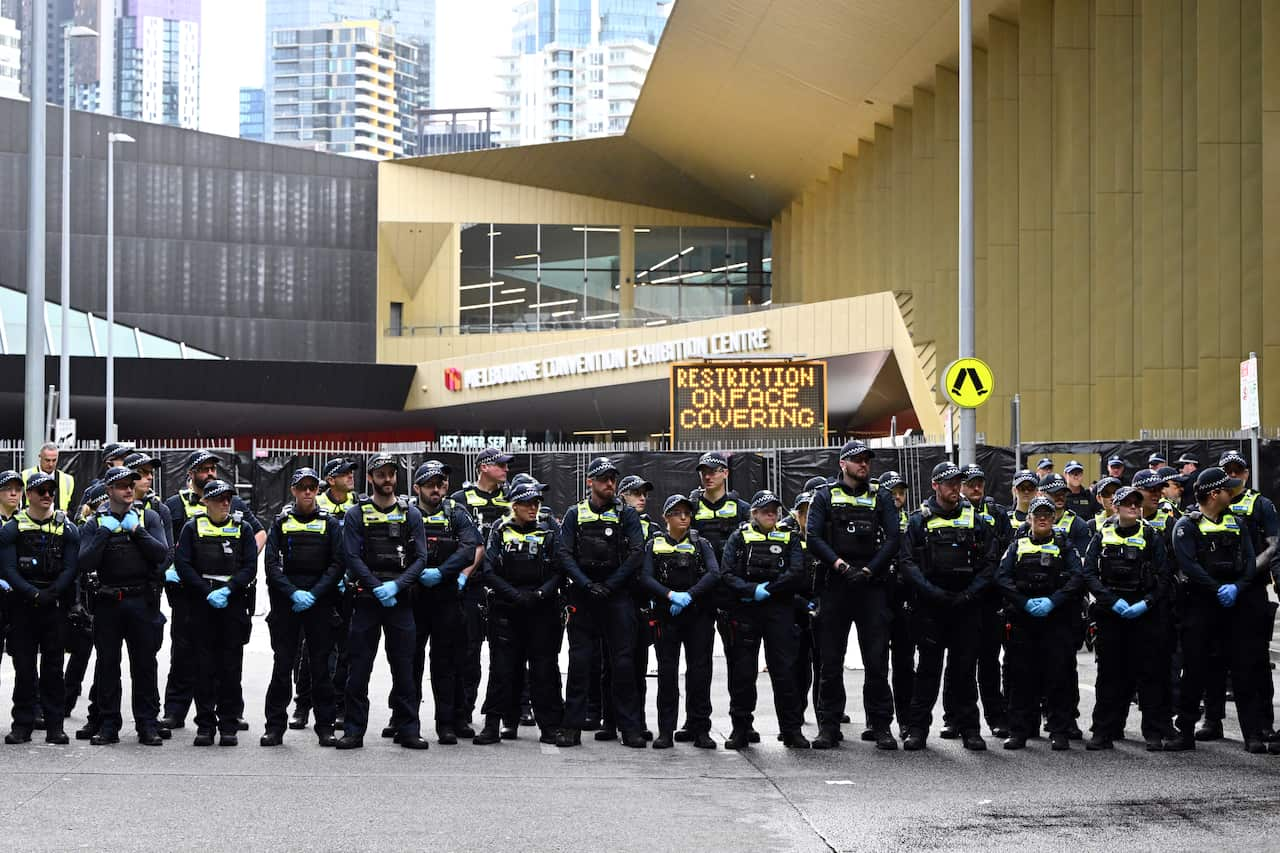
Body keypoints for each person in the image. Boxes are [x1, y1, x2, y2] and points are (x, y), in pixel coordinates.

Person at [807, 440, 902, 750]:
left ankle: (880, 725)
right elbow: (813, 537)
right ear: (842, 464)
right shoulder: (824, 496)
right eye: (857, 460)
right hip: (836, 584)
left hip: (871, 586)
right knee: (830, 661)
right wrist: (840, 566)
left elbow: (892, 538)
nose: (864, 465)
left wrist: (869, 571)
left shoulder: (882, 497)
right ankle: (829, 727)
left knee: (876, 661)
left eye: (867, 460)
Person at [161, 451, 263, 737]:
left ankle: (231, 713)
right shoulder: (175, 505)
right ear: (190, 473)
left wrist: (244, 561)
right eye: (203, 469)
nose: (209, 474)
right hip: (190, 592)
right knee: (184, 652)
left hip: (230, 594)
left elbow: (259, 533)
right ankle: (176, 710)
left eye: (212, 469)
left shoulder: (235, 504)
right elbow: (169, 544)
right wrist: (175, 570)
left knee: (229, 657)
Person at [898, 463, 997, 751]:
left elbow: (990, 563)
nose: (956, 488)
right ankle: (917, 730)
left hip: (966, 606)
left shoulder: (976, 520)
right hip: (931, 607)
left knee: (964, 672)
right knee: (928, 671)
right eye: (950, 483)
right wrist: (933, 594)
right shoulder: (919, 521)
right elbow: (907, 563)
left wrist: (968, 595)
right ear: (935, 485)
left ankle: (970, 730)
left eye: (958, 483)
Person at [337, 455, 430, 750]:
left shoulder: (410, 514)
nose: (387, 479)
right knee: (358, 669)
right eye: (381, 474)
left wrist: (396, 586)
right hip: (365, 600)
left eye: (391, 474)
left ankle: (408, 729)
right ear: (371, 478)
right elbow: (351, 557)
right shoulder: (356, 514)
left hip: (400, 601)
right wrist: (376, 587)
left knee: (404, 668)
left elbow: (421, 558)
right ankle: (353, 730)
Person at [1170, 467, 1265, 752]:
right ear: (1214, 494)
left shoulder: (1237, 522)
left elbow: (1250, 561)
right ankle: (1185, 732)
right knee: (1196, 670)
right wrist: (1216, 588)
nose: (1232, 492)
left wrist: (1236, 587)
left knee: (1243, 670)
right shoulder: (1186, 525)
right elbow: (1188, 565)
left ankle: (1253, 735)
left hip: (1235, 606)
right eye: (1227, 489)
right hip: (1200, 607)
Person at [1082, 486, 1180, 751]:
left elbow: (1164, 576)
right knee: (1110, 675)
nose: (1134, 507)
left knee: (1150, 674)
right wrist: (1111, 601)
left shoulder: (1151, 535)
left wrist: (1145, 604)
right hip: (1111, 615)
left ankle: (1153, 732)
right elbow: (1089, 573)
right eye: (1127, 503)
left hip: (1144, 615)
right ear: (1115, 507)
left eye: (1137, 503)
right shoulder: (1102, 534)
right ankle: (1105, 731)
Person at [76, 466, 169, 745]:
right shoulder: (95, 523)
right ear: (109, 490)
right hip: (108, 602)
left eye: (131, 484)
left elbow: (161, 553)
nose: (128, 490)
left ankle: (147, 724)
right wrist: (105, 534)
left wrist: (136, 530)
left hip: (141, 600)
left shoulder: (148, 517)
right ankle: (108, 725)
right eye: (121, 486)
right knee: (107, 665)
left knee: (144, 665)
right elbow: (84, 562)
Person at [557, 457, 646, 748]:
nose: (610, 484)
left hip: (617, 595)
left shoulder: (627, 514)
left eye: (613, 478)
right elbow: (564, 553)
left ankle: (629, 728)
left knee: (623, 663)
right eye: (604, 478)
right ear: (590, 482)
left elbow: (636, 553)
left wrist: (610, 585)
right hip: (584, 597)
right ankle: (571, 728)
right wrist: (586, 584)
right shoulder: (574, 513)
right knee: (580, 663)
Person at [472, 481, 566, 746]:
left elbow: (560, 568)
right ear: (514, 505)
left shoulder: (549, 528)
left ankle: (549, 727)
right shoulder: (499, 530)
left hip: (542, 608)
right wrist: (513, 595)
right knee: (502, 669)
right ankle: (495, 724)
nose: (534, 507)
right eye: (527, 503)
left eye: (537, 503)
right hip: (506, 608)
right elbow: (488, 570)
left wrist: (539, 595)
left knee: (544, 670)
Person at [261, 468, 344, 747]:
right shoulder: (281, 522)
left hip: (319, 603)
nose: (308, 492)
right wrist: (293, 593)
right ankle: (274, 728)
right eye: (302, 487)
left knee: (321, 668)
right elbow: (271, 565)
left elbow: (338, 563)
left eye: (312, 487)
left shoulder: (330, 523)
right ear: (293, 491)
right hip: (288, 604)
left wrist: (315, 594)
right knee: (282, 666)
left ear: (317, 490)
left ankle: (325, 728)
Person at [720, 490, 809, 749]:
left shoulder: (789, 537)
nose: (771, 514)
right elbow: (726, 573)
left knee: (785, 672)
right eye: (766, 510)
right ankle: (741, 729)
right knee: (743, 673)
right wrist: (750, 591)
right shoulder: (739, 537)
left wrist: (768, 589)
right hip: (746, 611)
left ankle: (792, 731)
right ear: (754, 513)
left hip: (779, 611)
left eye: (775, 509)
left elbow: (796, 572)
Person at [1203, 451, 1279, 750]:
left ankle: (1263, 723)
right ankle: (1212, 719)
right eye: (1227, 471)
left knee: (1255, 661)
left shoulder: (1261, 504)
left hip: (1250, 592)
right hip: (1214, 592)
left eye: (1239, 470)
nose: (1233, 475)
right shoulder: (1208, 504)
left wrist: (1245, 576)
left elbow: (1273, 547)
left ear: (1247, 473)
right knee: (1213, 657)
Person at [996, 496, 1084, 750]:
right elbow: (1002, 578)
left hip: (1056, 621)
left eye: (1047, 514)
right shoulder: (1017, 546)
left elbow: (1077, 578)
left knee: (1058, 677)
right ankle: (1019, 731)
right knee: (1021, 678)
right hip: (1024, 621)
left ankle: (1059, 730)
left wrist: (1053, 601)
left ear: (1054, 518)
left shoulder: (1065, 546)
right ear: (1030, 519)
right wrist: (1024, 603)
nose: (1043, 518)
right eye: (1038, 515)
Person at [402, 460, 479, 745]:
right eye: (431, 484)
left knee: (446, 663)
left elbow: (469, 548)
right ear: (417, 487)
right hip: (412, 595)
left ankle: (446, 723)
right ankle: (405, 721)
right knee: (410, 662)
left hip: (446, 596)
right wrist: (416, 573)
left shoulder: (456, 513)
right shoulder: (405, 512)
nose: (437, 489)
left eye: (441, 484)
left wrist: (443, 573)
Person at [0, 471, 80, 744]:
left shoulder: (66, 527)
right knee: (24, 668)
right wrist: (32, 593)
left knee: (53, 669)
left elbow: (71, 567)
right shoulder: (13, 528)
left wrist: (52, 593)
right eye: (41, 491)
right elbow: (8, 568)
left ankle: (55, 726)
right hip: (22, 606)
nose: (47, 496)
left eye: (51, 491)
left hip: (53, 606)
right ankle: (22, 724)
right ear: (29, 495)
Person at [642, 494, 721, 749]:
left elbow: (713, 573)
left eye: (687, 513)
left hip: (697, 615)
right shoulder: (654, 544)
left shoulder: (701, 543)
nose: (684, 517)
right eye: (677, 513)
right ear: (666, 517)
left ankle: (700, 729)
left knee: (700, 673)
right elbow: (645, 577)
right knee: (667, 674)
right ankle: (666, 730)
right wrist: (669, 595)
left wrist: (689, 595)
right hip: (668, 616)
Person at [682, 451, 750, 744]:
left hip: (733, 596)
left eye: (713, 470)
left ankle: (742, 725)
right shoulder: (690, 508)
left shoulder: (742, 509)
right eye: (703, 471)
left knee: (741, 665)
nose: (706, 476)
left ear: (725, 473)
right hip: (701, 595)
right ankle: (697, 725)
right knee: (698, 665)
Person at [291, 457, 359, 732]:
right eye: (344, 473)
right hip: (320, 586)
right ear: (330, 479)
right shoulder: (317, 504)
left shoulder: (360, 504)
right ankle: (302, 704)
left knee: (347, 649)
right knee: (312, 649)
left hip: (350, 585)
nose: (351, 477)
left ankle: (341, 705)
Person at [451, 446, 513, 738]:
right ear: (484, 467)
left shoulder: (513, 499)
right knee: (468, 651)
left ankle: (510, 711)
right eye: (501, 465)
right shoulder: (460, 501)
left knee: (507, 654)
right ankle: (462, 713)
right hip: (472, 586)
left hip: (504, 585)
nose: (506, 469)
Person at [958, 464, 1012, 740]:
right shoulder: (952, 511)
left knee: (989, 662)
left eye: (979, 482)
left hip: (990, 597)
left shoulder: (998, 514)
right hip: (962, 597)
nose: (976, 488)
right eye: (970, 483)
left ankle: (996, 717)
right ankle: (954, 719)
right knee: (959, 663)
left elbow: (1007, 553)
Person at [608, 474, 657, 741]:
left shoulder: (654, 528)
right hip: (616, 596)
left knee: (639, 664)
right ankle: (610, 721)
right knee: (612, 663)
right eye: (635, 493)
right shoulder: (614, 521)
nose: (642, 498)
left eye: (644, 494)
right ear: (622, 496)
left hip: (642, 601)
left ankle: (638, 720)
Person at [779, 488, 823, 727]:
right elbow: (782, 577)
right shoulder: (787, 538)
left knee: (824, 666)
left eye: (812, 512)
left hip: (822, 607)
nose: (808, 517)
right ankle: (794, 720)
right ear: (796, 515)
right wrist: (801, 603)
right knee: (797, 666)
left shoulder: (825, 537)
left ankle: (826, 722)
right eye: (804, 512)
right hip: (794, 609)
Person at [21, 443, 74, 514]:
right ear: (40, 457)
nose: (51, 464)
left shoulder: (68, 480)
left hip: (59, 523)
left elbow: (73, 508)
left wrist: (66, 514)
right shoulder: (25, 475)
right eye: (47, 460)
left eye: (54, 460)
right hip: (31, 521)